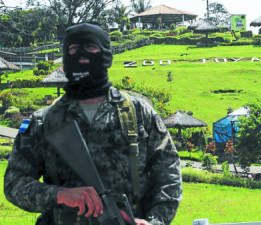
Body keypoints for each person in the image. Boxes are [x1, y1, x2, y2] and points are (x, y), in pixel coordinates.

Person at [4, 23, 182, 225]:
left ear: (105, 54)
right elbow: (14, 183)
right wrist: (59, 194)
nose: (80, 55)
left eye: (90, 47)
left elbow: (168, 176)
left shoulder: (139, 113)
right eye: (72, 49)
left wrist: (155, 222)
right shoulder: (42, 121)